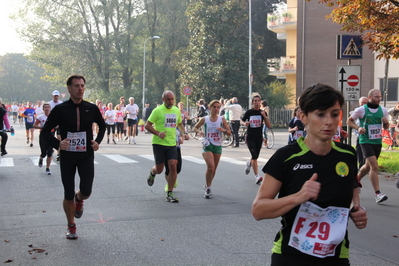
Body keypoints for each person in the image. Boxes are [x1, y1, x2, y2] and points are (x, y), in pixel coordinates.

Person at [252, 83, 367, 265]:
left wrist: (357, 210)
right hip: (291, 256)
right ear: (304, 117)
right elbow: (258, 210)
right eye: (320, 114)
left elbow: (352, 192)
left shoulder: (348, 155)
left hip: (336, 256)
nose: (329, 121)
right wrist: (298, 197)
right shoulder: (286, 157)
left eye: (335, 114)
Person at [40, 74, 106, 239]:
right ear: (69, 89)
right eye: (76, 86)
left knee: (86, 190)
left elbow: (103, 126)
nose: (80, 89)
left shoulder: (91, 108)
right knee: (68, 193)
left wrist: (97, 142)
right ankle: (71, 226)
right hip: (68, 157)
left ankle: (80, 198)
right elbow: (45, 132)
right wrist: (58, 145)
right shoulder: (61, 110)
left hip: (86, 156)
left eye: (82, 86)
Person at [145, 90, 189, 203]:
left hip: (171, 143)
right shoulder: (157, 111)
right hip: (159, 143)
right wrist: (158, 133)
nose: (171, 101)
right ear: (163, 99)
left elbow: (179, 123)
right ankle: (152, 172)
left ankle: (170, 192)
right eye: (168, 99)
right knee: (159, 169)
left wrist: (184, 133)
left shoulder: (176, 110)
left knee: (173, 166)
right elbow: (147, 125)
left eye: (172, 99)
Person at [347, 88, 389, 203]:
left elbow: (386, 127)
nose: (379, 99)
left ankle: (354, 182)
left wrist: (385, 123)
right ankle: (378, 194)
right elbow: (349, 121)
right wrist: (358, 128)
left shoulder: (383, 110)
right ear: (370, 97)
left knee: (368, 166)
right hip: (365, 141)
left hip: (377, 142)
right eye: (377, 97)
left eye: (380, 97)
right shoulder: (361, 110)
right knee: (374, 165)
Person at [194, 100, 231, 198]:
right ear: (210, 108)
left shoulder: (221, 119)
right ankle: (208, 189)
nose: (216, 109)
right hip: (208, 144)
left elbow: (229, 132)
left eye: (218, 107)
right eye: (214, 107)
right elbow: (195, 127)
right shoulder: (204, 119)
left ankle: (208, 184)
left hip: (218, 145)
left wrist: (223, 130)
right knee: (210, 166)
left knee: (214, 169)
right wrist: (200, 132)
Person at [242, 95, 271, 185]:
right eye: (255, 101)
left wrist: (264, 116)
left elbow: (269, 126)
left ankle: (249, 164)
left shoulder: (262, 113)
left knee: (255, 156)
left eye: (258, 101)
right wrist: (245, 123)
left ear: (260, 102)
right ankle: (257, 176)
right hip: (250, 136)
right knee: (254, 156)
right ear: (252, 102)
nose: (257, 102)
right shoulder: (249, 112)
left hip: (259, 137)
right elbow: (241, 121)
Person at [34, 103, 54, 175]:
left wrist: (55, 127)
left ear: (50, 108)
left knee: (50, 152)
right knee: (44, 152)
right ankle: (41, 158)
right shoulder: (40, 117)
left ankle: (47, 168)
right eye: (45, 107)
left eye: (48, 107)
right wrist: (41, 127)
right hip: (43, 135)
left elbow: (57, 125)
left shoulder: (53, 117)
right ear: (43, 109)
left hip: (51, 135)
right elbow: (35, 125)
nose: (47, 109)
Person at [352, 96, 368, 168]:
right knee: (359, 150)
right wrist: (357, 128)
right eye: (362, 103)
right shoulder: (358, 110)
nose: (364, 104)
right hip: (360, 134)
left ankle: (367, 165)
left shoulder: (370, 110)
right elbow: (350, 121)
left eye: (365, 103)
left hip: (369, 135)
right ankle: (361, 164)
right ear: (359, 103)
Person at [49, 90, 64, 161]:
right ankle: (50, 149)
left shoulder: (61, 103)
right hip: (52, 123)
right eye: (55, 96)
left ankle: (59, 153)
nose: (56, 97)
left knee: (59, 138)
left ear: (59, 96)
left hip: (60, 124)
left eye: (57, 96)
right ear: (52, 96)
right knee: (51, 138)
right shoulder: (49, 104)